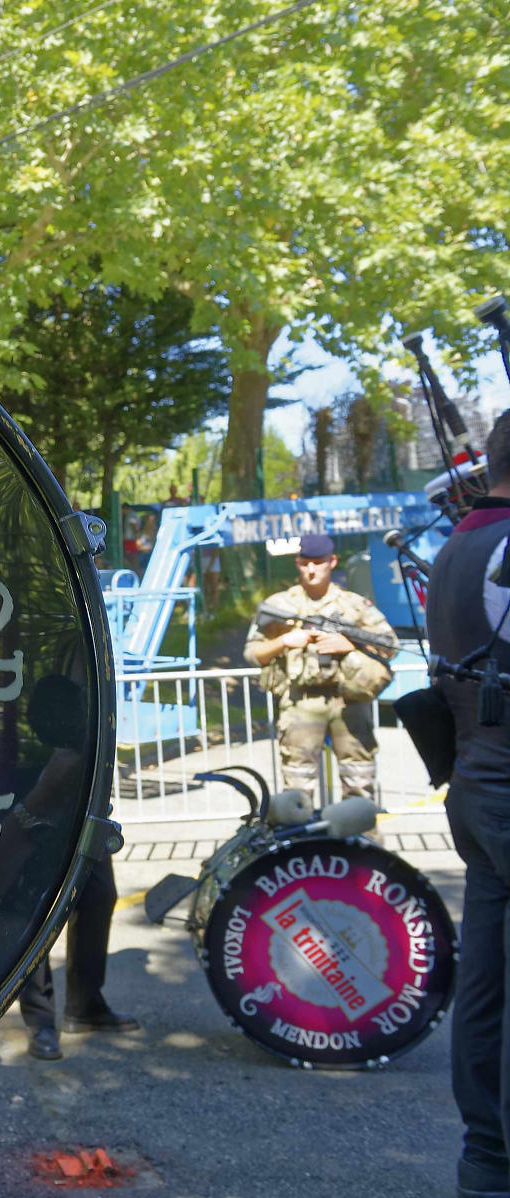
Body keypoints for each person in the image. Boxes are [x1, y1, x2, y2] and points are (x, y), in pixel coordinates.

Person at [428, 412, 510, 1198]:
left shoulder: (458, 545)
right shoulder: (502, 549)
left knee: (488, 980)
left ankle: (486, 1158)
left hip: (479, 782)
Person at [17, 675, 137, 1061]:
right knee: (34, 914)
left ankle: (85, 1005)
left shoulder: (88, 659)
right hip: (39, 808)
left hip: (83, 807)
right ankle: (40, 1023)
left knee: (100, 896)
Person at [243, 532, 396, 797]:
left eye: (318, 562)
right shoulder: (279, 605)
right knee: (297, 788)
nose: (311, 569)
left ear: (332, 562)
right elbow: (252, 653)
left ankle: (358, 838)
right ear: (297, 563)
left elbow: (389, 645)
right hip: (300, 702)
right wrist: (285, 641)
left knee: (359, 782)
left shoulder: (354, 605)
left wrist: (349, 646)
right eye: (305, 562)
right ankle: (300, 838)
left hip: (349, 702)